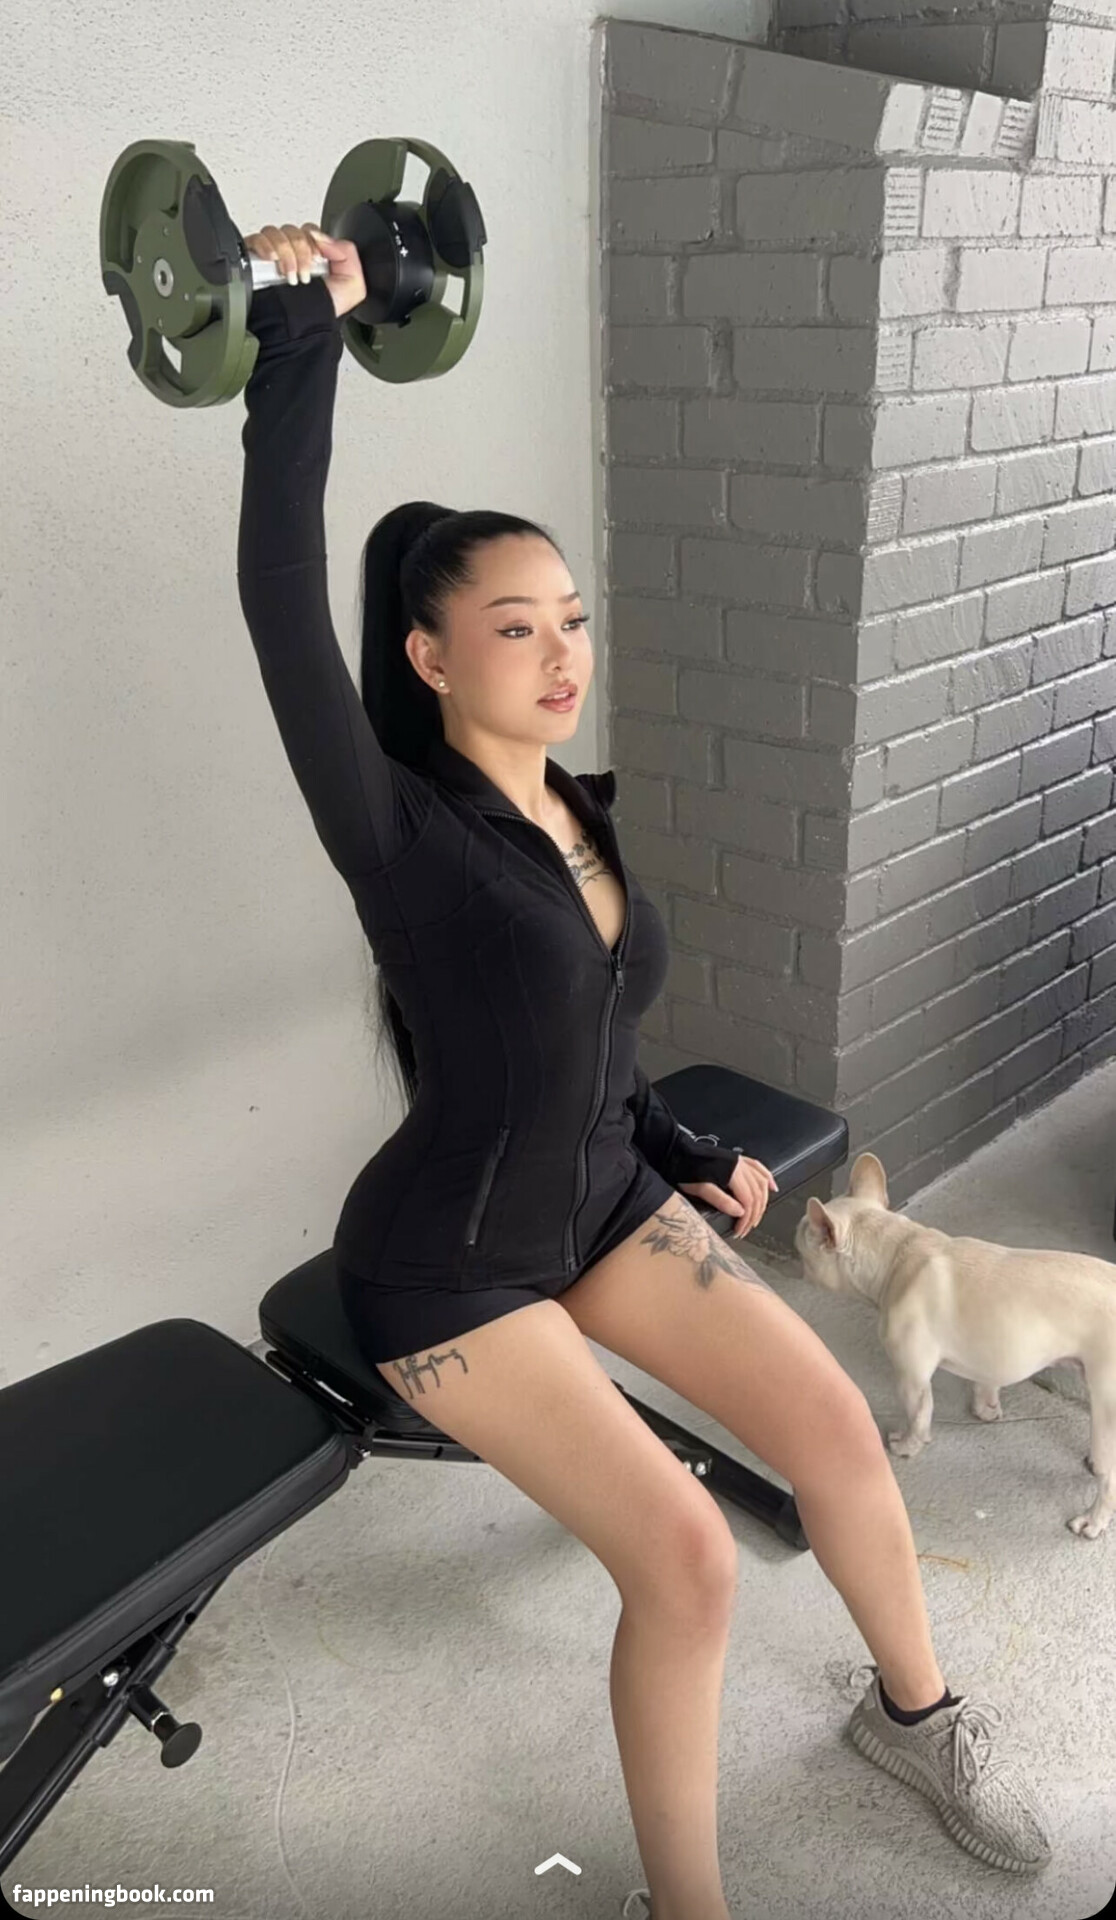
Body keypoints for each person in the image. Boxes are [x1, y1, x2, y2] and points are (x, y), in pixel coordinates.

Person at [235, 221, 1052, 1920]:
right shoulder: (399, 834)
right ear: (430, 659)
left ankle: (916, 1718)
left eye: (573, 621)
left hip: (606, 1198)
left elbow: (588, 1037)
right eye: (516, 629)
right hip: (451, 1268)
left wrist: (673, 1145)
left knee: (838, 1430)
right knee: (687, 1561)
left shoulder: (575, 808)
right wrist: (300, 336)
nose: (562, 656)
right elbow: (277, 600)